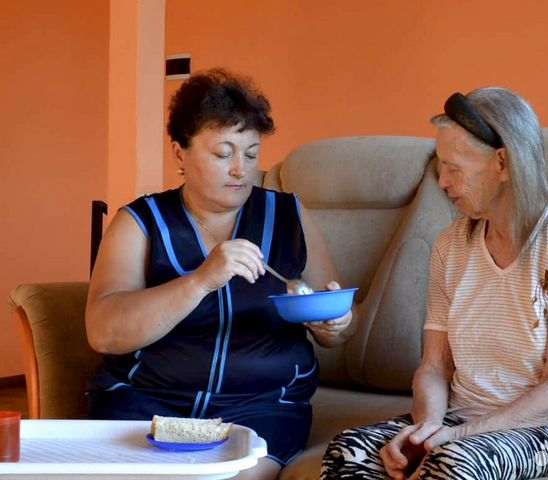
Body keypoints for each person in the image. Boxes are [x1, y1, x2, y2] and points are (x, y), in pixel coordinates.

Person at [321, 88, 548, 480]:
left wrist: (454, 438)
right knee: (348, 452)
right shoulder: (450, 246)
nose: (442, 181)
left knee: (451, 463)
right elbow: (434, 367)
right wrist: (427, 428)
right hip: (461, 420)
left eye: (454, 168)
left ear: (503, 163)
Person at [85, 68, 357, 480]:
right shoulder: (141, 221)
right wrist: (200, 280)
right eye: (223, 153)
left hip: (262, 406)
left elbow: (340, 324)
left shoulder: (288, 216)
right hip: (147, 402)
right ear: (179, 154)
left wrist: (335, 325)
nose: (240, 170)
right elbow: (104, 332)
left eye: (251, 153)